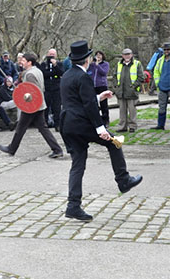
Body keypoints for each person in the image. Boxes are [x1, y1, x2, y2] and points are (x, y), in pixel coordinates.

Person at [60, 40, 142, 222]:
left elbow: (78, 100)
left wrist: (98, 96)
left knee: (78, 165)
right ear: (87, 59)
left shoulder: (66, 76)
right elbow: (88, 105)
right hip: (82, 124)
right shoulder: (84, 77)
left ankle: (73, 205)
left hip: (67, 125)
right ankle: (123, 180)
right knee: (115, 143)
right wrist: (100, 128)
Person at [0, 53, 63, 158]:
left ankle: (12, 148)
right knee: (42, 128)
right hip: (39, 104)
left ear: (29, 62)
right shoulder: (37, 71)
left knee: (21, 128)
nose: (21, 62)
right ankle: (57, 149)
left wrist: (22, 94)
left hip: (32, 105)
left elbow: (32, 92)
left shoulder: (30, 75)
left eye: (23, 60)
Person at [112, 48, 144, 133]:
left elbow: (141, 77)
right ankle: (122, 126)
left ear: (132, 55)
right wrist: (116, 86)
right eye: (125, 54)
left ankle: (132, 126)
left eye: (128, 54)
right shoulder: (119, 64)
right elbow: (114, 76)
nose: (127, 56)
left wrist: (133, 86)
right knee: (122, 111)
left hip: (132, 92)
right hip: (121, 91)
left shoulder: (137, 64)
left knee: (132, 110)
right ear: (122, 56)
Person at [40, 48, 64, 131]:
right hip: (47, 88)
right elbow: (44, 74)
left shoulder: (59, 64)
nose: (52, 56)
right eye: (50, 54)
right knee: (46, 107)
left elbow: (61, 73)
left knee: (57, 107)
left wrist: (55, 66)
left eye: (53, 54)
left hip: (57, 88)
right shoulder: (43, 64)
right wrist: (54, 73)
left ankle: (57, 124)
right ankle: (45, 124)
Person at [88, 50, 110, 127]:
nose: (98, 56)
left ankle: (106, 120)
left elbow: (104, 72)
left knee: (104, 105)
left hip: (102, 86)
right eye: (97, 55)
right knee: (94, 105)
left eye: (100, 55)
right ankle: (97, 120)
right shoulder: (92, 65)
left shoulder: (105, 64)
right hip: (93, 86)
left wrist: (97, 65)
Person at [151, 42, 170, 130]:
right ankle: (160, 125)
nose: (166, 51)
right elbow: (156, 72)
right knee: (162, 107)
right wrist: (158, 82)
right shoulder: (160, 60)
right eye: (165, 50)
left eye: (168, 49)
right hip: (162, 87)